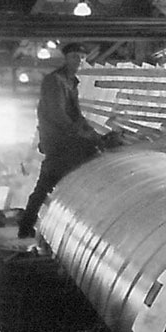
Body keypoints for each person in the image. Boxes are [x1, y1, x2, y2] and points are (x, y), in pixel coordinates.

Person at [17, 43, 106, 239]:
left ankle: (25, 226)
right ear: (66, 58)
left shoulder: (71, 81)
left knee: (45, 183)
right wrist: (84, 136)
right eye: (75, 57)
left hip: (61, 140)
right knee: (52, 182)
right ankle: (29, 226)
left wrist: (92, 133)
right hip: (59, 141)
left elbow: (76, 115)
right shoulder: (55, 81)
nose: (79, 61)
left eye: (82, 58)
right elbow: (58, 114)